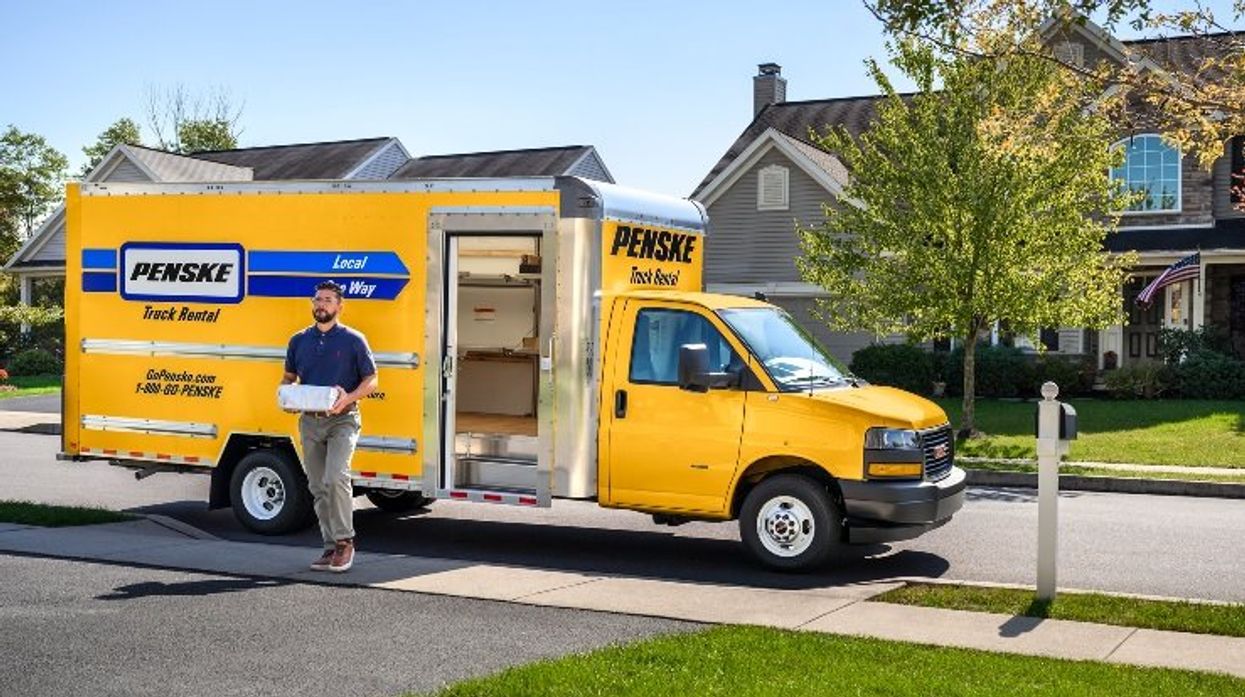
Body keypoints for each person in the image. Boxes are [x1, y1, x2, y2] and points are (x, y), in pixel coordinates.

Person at [280, 280, 378, 573]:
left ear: (339, 306)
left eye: (327, 300)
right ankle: (329, 546)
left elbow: (372, 380)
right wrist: (287, 395)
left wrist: (348, 397)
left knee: (336, 477)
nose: (320, 304)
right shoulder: (299, 340)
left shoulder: (353, 340)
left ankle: (345, 541)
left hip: (343, 419)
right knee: (317, 485)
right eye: (317, 299)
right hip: (310, 421)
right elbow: (288, 378)